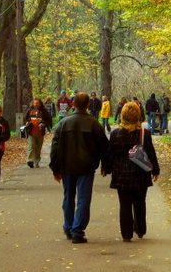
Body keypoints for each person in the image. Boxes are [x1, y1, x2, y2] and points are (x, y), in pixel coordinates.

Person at [49, 92, 109, 244]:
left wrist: (55, 169)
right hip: (86, 167)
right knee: (83, 198)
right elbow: (104, 147)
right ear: (88, 105)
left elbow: (54, 148)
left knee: (68, 197)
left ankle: (69, 227)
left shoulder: (63, 123)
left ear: (73, 104)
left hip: (67, 167)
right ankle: (77, 230)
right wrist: (105, 165)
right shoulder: (94, 124)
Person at [103, 102, 160, 242]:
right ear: (138, 116)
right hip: (140, 174)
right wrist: (155, 170)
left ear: (123, 116)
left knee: (125, 205)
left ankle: (126, 235)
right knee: (140, 203)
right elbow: (150, 153)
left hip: (122, 175)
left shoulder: (116, 134)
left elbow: (111, 154)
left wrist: (107, 168)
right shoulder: (143, 133)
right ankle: (140, 230)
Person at [23, 98, 52, 168]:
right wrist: (27, 123)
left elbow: (48, 120)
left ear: (40, 103)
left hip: (40, 132)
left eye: (37, 103)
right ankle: (30, 160)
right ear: (33, 103)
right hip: (31, 132)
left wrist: (44, 124)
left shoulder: (44, 111)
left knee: (38, 147)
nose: (36, 104)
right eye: (35, 103)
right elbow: (25, 118)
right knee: (31, 145)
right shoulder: (29, 110)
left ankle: (36, 161)